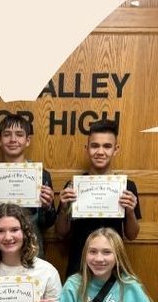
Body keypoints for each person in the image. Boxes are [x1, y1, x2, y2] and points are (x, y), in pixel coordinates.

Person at [54, 118, 141, 278]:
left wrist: (130, 212)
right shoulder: (73, 185)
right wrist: (64, 207)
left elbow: (132, 235)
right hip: (79, 263)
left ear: (116, 149)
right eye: (95, 146)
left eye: (107, 146)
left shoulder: (127, 187)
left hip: (112, 264)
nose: (100, 152)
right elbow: (60, 233)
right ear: (87, 149)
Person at [0, 112, 57, 253]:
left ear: (28, 140)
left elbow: (47, 224)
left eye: (19, 134)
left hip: (33, 250)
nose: (13, 139)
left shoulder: (41, 175)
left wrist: (48, 207)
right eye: (7, 134)